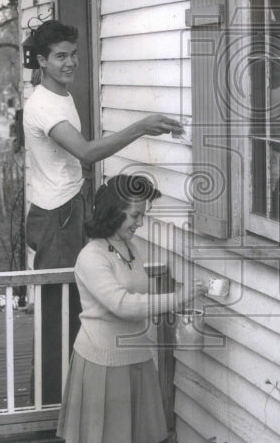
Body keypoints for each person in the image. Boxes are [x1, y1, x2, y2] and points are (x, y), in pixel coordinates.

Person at [22, 20, 183, 404]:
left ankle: (74, 396)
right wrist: (141, 126)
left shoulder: (61, 95)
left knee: (79, 304)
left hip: (72, 205)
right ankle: (50, 403)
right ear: (41, 61)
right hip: (56, 216)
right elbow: (87, 153)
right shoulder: (43, 104)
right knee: (59, 311)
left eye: (74, 54)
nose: (70, 63)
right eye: (60, 56)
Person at [57, 175, 202, 443]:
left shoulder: (126, 245)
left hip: (134, 356)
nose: (140, 221)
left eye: (142, 214)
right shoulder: (91, 256)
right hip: (102, 359)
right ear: (113, 212)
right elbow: (121, 303)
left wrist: (177, 301)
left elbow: (140, 296)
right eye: (135, 214)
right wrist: (179, 296)